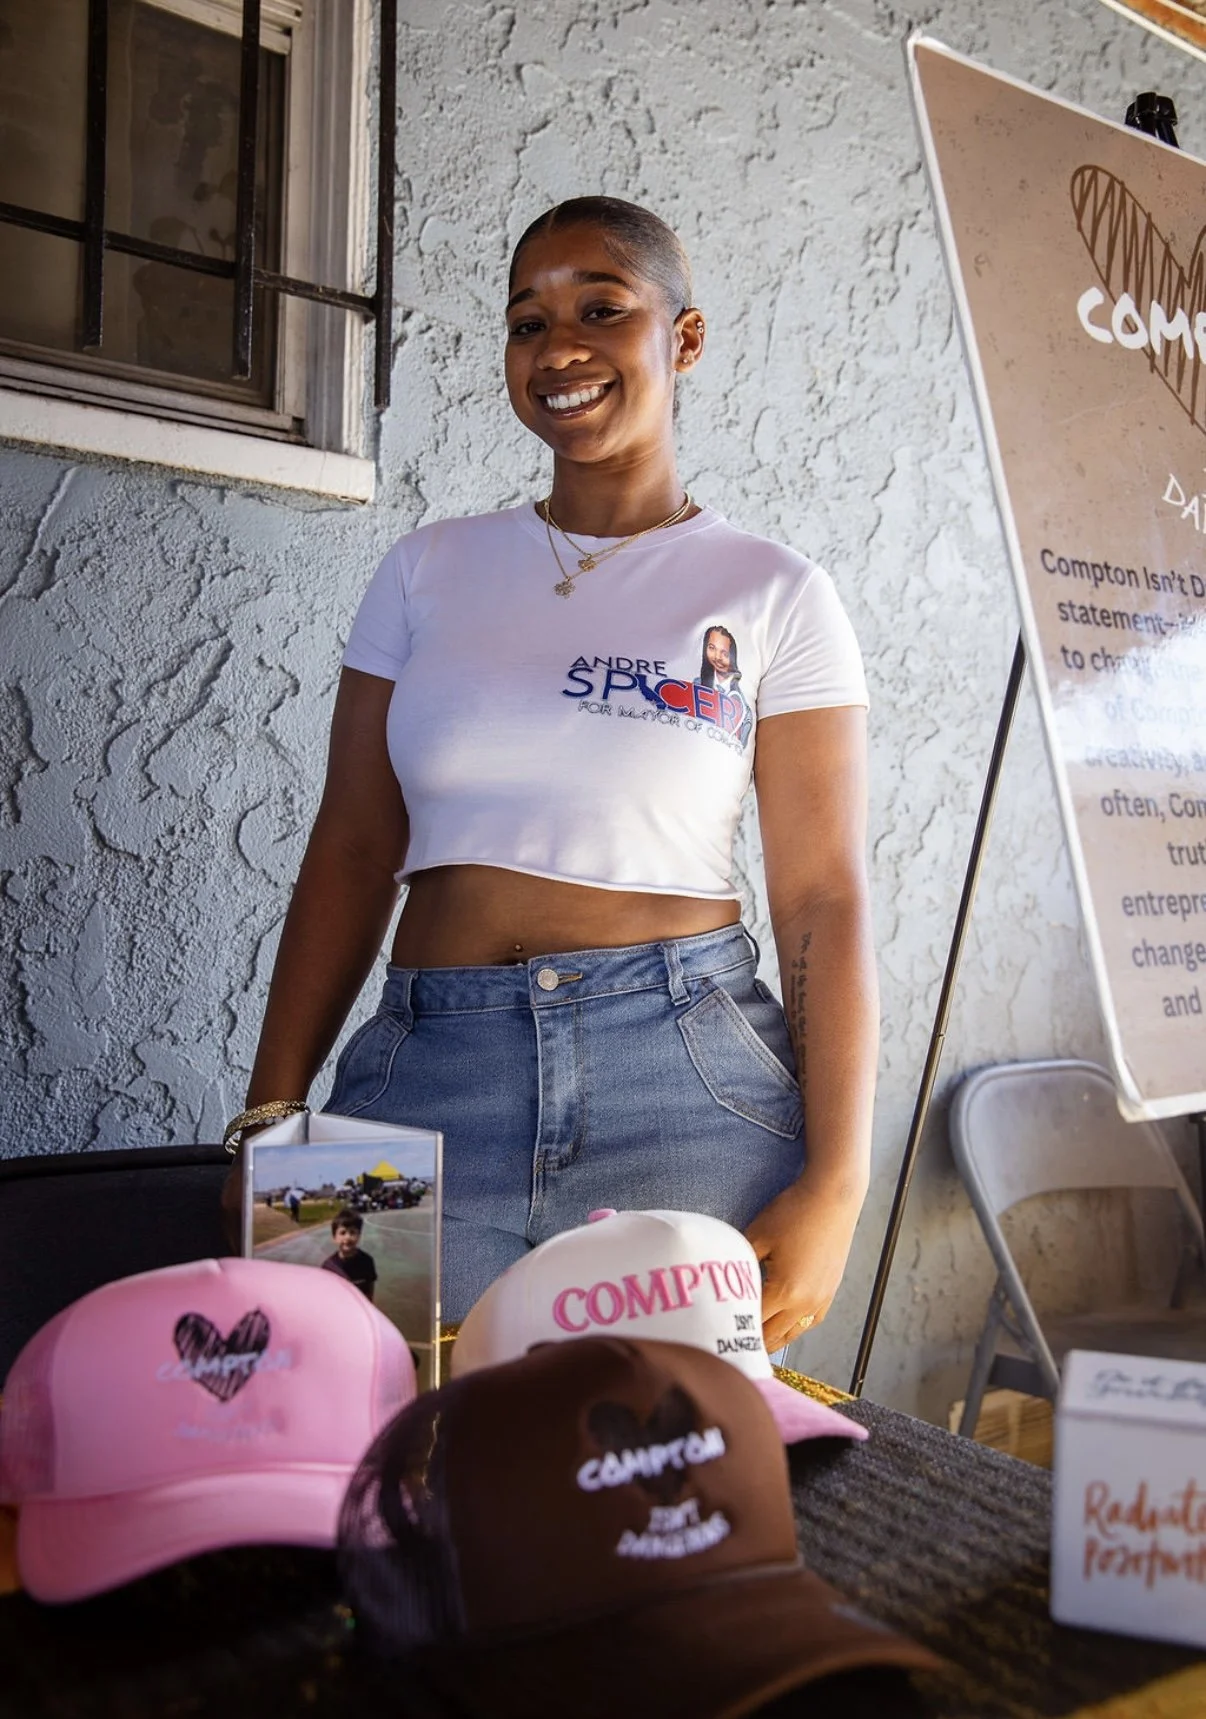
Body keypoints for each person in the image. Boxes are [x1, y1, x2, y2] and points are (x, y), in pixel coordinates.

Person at [223, 197, 876, 1346]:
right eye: (528, 322)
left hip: (682, 1081)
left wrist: (838, 1180)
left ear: (683, 339)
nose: (558, 347)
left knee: (659, 1476)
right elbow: (354, 845)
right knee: (361, 1424)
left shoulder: (776, 593)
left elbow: (823, 894)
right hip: (424, 1072)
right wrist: (273, 1115)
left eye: (601, 309)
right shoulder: (427, 570)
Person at [321, 1208, 378, 1301]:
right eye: (342, 1233)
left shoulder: (367, 1261)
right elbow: (326, 1295)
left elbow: (370, 1292)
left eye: (352, 1232)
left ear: (359, 1235)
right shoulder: (328, 1266)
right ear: (334, 1237)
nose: (347, 1237)